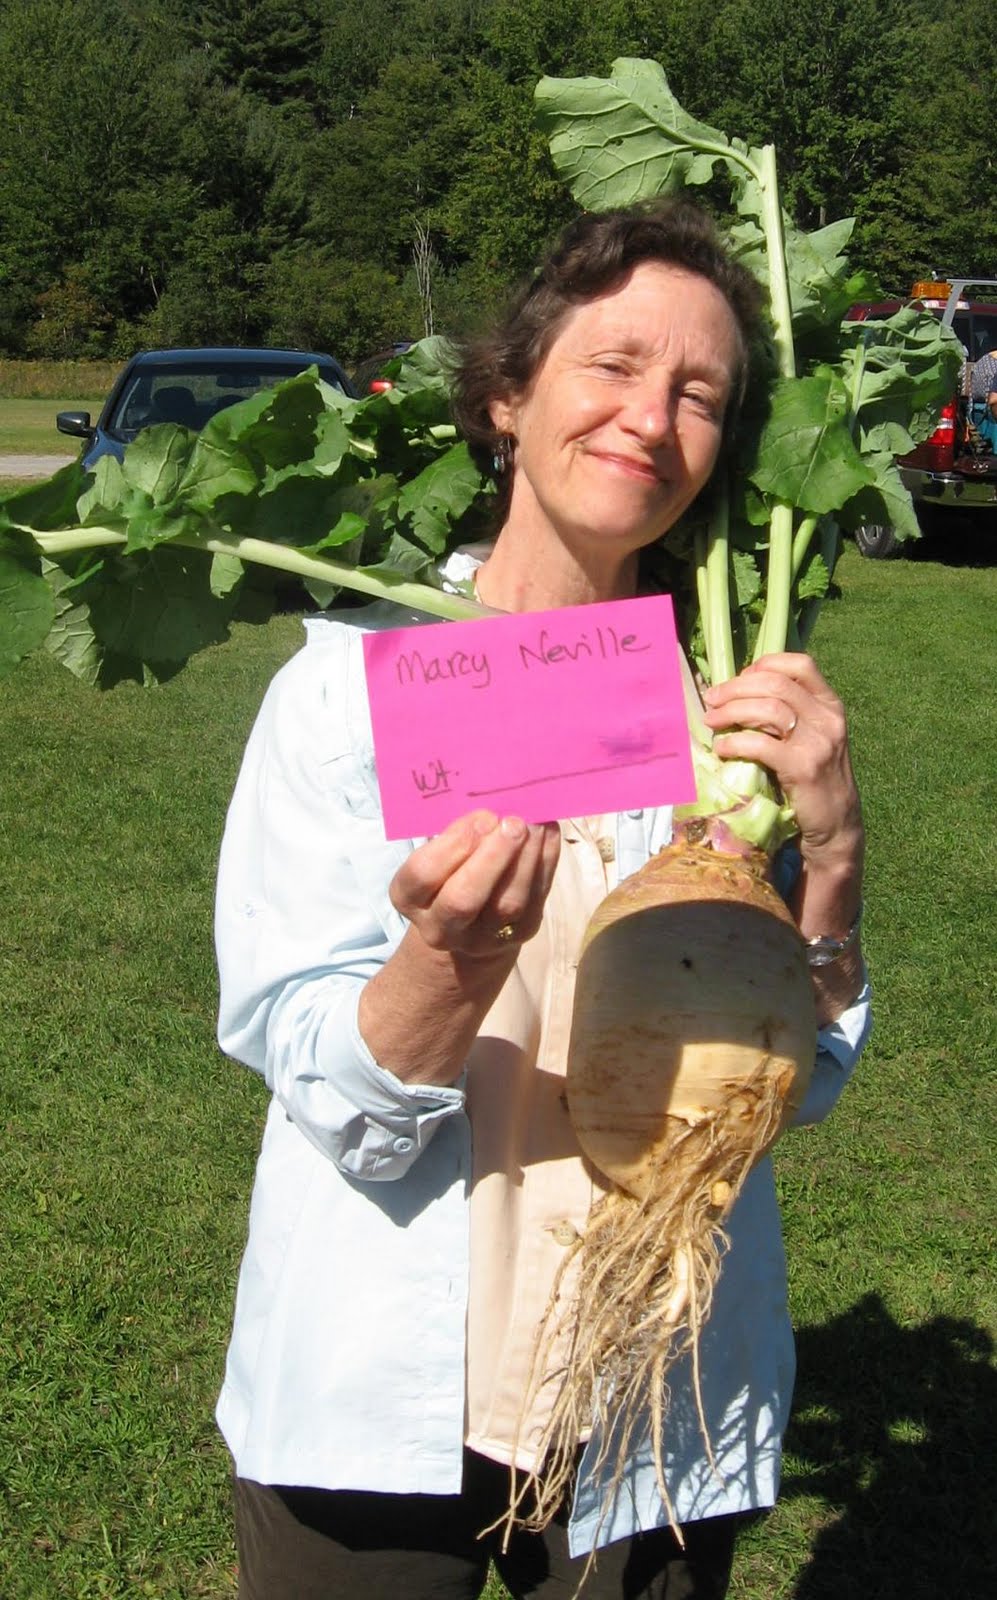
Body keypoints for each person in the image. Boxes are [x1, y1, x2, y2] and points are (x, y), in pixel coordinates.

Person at [213, 200, 871, 1600]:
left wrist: (828, 866)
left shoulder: (728, 711)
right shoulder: (346, 689)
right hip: (380, 1388)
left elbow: (788, 1085)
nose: (652, 416)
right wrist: (445, 964)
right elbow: (301, 1058)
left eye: (701, 393)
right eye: (613, 365)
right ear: (507, 395)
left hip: (655, 1373)